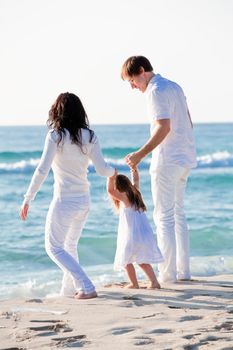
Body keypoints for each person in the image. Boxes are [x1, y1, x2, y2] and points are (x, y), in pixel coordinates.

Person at [20, 92, 114, 299]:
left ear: (58, 112)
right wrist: (114, 172)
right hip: (84, 201)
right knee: (69, 245)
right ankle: (70, 290)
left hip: (65, 202)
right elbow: (102, 170)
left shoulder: (56, 136)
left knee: (53, 247)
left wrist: (28, 197)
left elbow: (42, 170)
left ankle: (87, 286)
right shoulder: (89, 136)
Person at [121, 56, 197, 284]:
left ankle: (167, 275)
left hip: (168, 160)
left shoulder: (155, 91)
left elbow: (163, 128)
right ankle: (183, 272)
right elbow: (189, 122)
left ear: (142, 71)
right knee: (178, 215)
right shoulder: (174, 86)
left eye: (132, 80)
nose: (132, 86)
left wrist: (139, 155)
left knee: (164, 217)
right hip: (185, 158)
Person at [107, 167, 163, 289]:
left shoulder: (124, 197)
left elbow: (110, 191)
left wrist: (110, 177)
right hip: (144, 234)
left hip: (132, 235)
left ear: (119, 187)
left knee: (126, 260)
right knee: (141, 260)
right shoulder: (135, 193)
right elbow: (136, 180)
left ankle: (134, 283)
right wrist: (134, 169)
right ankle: (154, 282)